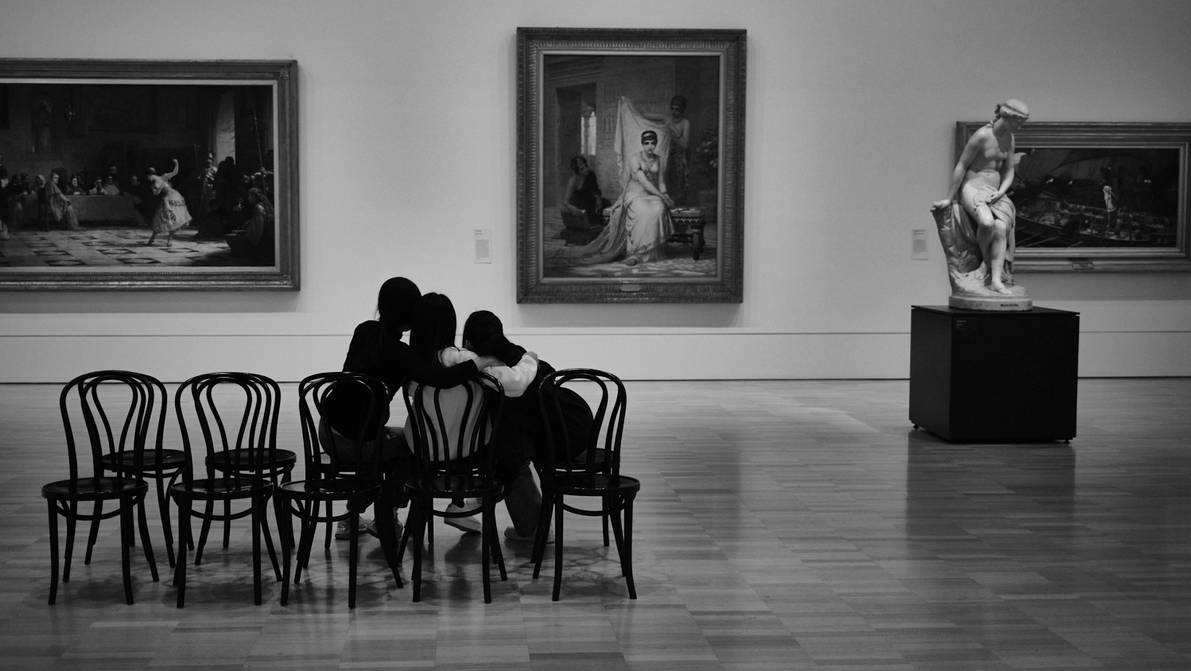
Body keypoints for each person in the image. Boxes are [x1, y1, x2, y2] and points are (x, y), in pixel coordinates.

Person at [325, 278, 482, 540]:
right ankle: (384, 513)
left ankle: (352, 516)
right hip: (359, 440)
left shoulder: (364, 330)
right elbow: (440, 379)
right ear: (411, 317)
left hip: (328, 429)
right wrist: (479, 363)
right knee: (412, 449)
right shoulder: (399, 353)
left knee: (394, 439)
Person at [406, 294, 542, 537]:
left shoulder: (411, 362)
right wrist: (529, 360)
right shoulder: (463, 359)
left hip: (422, 450)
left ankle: (419, 521)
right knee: (513, 452)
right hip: (470, 452)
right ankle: (530, 528)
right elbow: (515, 384)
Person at [461, 310, 594, 542]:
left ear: (469, 343)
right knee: (511, 445)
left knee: (508, 452)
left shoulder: (496, 378)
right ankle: (530, 525)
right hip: (580, 429)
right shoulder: (524, 359)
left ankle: (532, 529)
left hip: (558, 443)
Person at [548, 97, 675, 268]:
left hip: (652, 194)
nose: (650, 146)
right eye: (647, 143)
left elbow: (660, 182)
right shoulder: (634, 158)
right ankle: (637, 253)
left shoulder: (658, 159)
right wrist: (662, 196)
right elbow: (644, 182)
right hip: (635, 193)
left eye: (653, 142)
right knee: (644, 212)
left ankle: (650, 251)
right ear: (642, 144)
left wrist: (664, 194)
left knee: (659, 208)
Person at [933, 99, 1029, 295]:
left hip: (995, 191)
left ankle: (995, 280)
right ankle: (986, 264)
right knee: (987, 223)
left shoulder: (1009, 139)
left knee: (1001, 227)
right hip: (973, 187)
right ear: (1008, 117)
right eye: (1019, 122)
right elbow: (961, 166)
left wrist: (1001, 191)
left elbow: (1009, 171)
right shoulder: (982, 136)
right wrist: (949, 198)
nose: (1020, 127)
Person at [144, 158, 192, 247]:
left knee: (174, 218)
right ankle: (152, 238)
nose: (149, 178)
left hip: (174, 196)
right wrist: (162, 184)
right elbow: (156, 193)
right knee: (162, 219)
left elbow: (175, 172)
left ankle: (169, 240)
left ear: (152, 174)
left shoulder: (163, 176)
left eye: (149, 176)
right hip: (166, 199)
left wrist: (176, 163)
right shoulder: (153, 184)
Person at [560, 155, 608, 240]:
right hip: (579, 204)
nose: (586, 169)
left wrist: (598, 198)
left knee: (606, 203)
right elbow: (565, 202)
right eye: (582, 169)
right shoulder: (573, 181)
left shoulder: (591, 174)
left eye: (586, 166)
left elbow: (595, 188)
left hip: (590, 201)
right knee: (588, 222)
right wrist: (573, 209)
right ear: (577, 171)